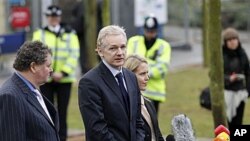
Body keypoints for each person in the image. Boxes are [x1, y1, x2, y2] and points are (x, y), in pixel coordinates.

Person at [78, 25, 144, 141]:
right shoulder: (89, 82)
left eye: (123, 47)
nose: (120, 53)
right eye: (113, 48)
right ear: (100, 50)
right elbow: (97, 129)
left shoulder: (131, 77)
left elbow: (138, 121)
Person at [32, 5, 80, 141]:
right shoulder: (39, 33)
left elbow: (74, 54)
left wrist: (63, 72)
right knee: (45, 110)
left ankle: (62, 137)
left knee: (62, 112)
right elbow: (35, 54)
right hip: (45, 80)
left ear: (59, 17)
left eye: (55, 17)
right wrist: (49, 73)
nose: (53, 19)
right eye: (50, 17)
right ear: (47, 17)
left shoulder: (70, 33)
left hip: (64, 80)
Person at [0, 41, 59, 141]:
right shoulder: (10, 96)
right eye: (48, 66)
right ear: (33, 67)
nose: (51, 70)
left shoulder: (32, 89)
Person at [127, 16, 171, 114]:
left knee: (151, 124)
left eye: (152, 31)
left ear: (157, 31)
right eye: (148, 31)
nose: (150, 34)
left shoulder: (164, 46)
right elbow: (128, 64)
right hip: (134, 91)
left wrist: (140, 73)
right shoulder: (133, 41)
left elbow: (162, 69)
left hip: (154, 94)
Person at [124, 54, 164, 141]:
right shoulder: (123, 105)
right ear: (129, 75)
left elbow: (157, 135)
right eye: (142, 74)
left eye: (147, 73)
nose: (147, 78)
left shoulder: (148, 103)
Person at [222, 27, 250, 131]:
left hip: (240, 93)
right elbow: (215, 75)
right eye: (229, 40)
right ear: (225, 42)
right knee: (226, 123)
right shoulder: (221, 55)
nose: (232, 42)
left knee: (238, 123)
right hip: (226, 93)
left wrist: (247, 90)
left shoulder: (242, 53)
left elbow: (248, 72)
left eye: (234, 39)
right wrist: (229, 78)